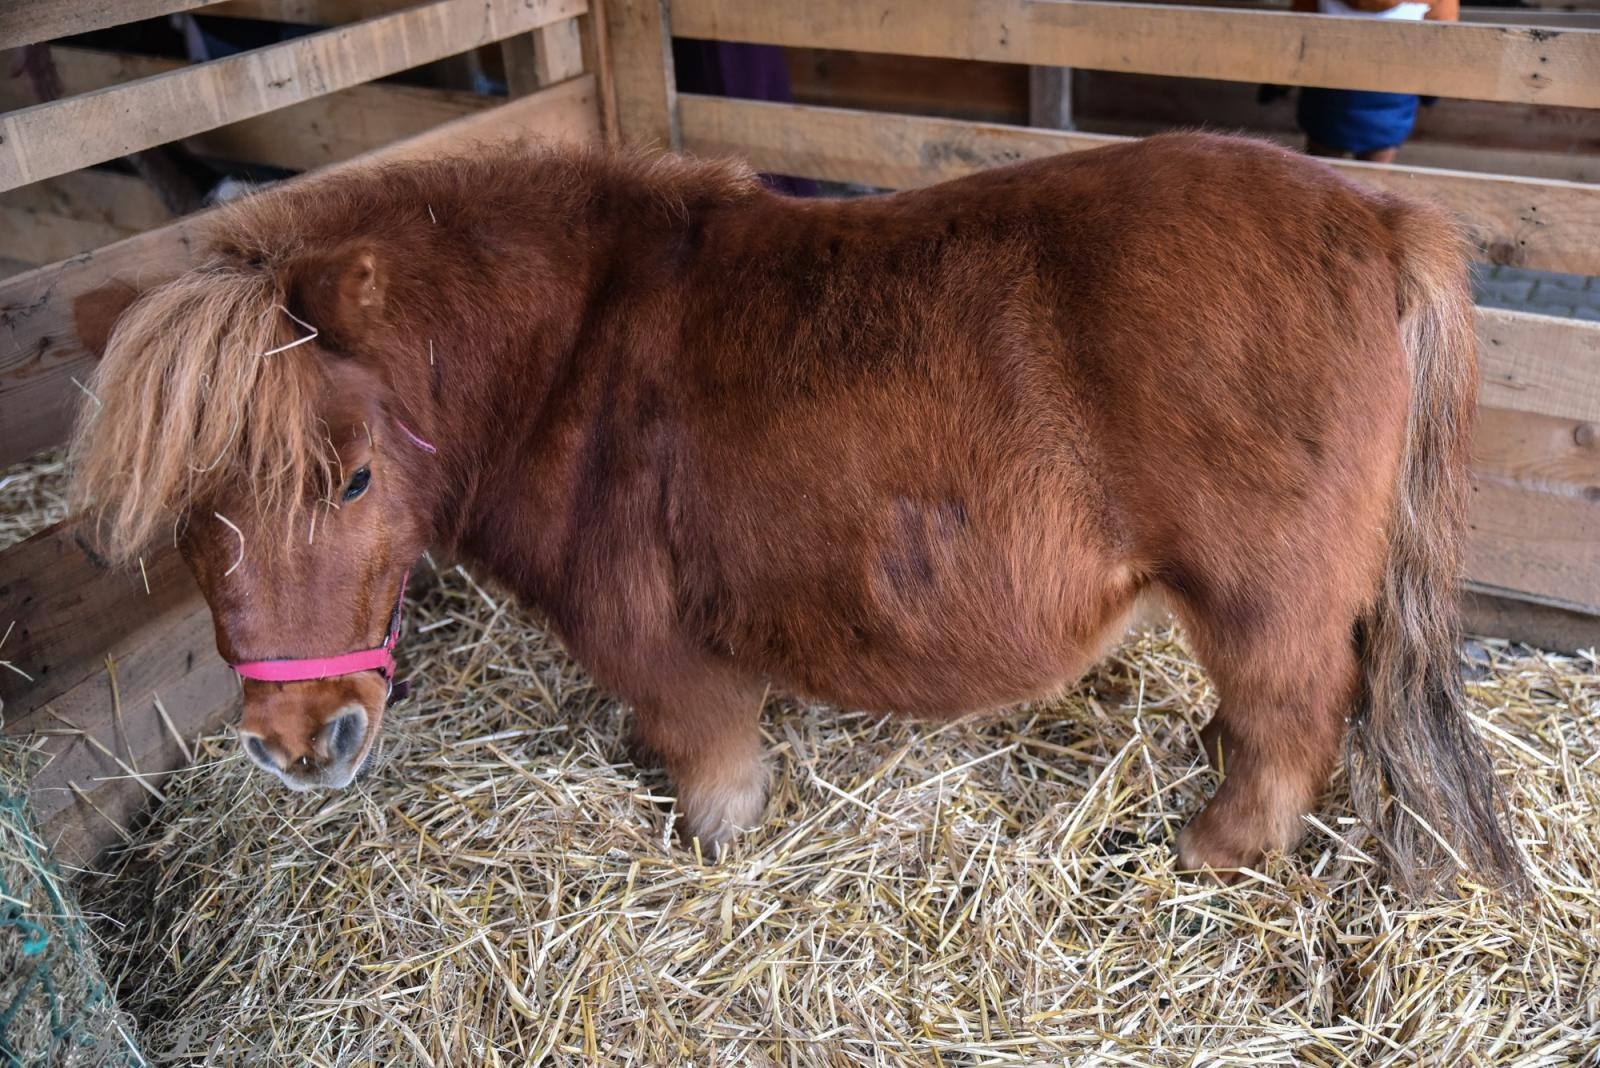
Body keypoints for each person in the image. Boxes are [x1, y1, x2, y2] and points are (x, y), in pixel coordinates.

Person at [1291, 0, 1459, 163]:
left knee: (1322, 173)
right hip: (1391, 110)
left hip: (1326, 106)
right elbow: (1439, 49)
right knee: (1374, 177)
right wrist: (1430, 95)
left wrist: (1282, 85)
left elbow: (1295, 38)